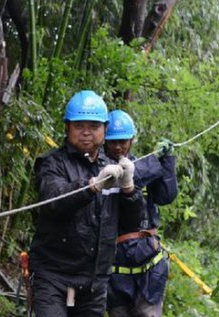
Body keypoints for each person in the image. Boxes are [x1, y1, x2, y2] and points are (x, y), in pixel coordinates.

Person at [28, 91, 144, 317]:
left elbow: (131, 226)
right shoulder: (52, 163)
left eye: (94, 126)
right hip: (53, 276)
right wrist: (92, 186)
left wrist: (129, 189)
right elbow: (53, 199)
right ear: (67, 128)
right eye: (79, 126)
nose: (86, 132)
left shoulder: (113, 167)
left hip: (94, 283)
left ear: (105, 129)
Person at [104, 110, 178, 317]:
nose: (118, 147)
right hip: (116, 272)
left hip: (149, 268)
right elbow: (124, 178)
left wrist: (167, 162)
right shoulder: (101, 172)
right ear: (104, 142)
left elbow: (166, 196)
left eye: (122, 141)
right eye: (112, 142)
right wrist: (154, 163)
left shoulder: (144, 167)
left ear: (131, 140)